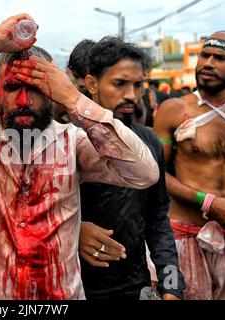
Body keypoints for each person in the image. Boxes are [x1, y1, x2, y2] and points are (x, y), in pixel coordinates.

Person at [0, 14, 159, 300]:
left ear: (52, 94)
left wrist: (74, 100)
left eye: (36, 89)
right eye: (12, 88)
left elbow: (144, 173)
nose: (24, 101)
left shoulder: (73, 143)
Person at [78, 37, 185, 300]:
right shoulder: (68, 139)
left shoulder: (149, 141)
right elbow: (31, 214)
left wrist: (171, 284)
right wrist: (73, 230)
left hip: (134, 283)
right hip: (74, 284)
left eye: (138, 85)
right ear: (92, 84)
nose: (130, 95)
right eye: (119, 84)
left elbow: (158, 217)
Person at [153, 31, 225, 300]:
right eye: (204, 55)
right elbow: (156, 175)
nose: (207, 63)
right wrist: (208, 202)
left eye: (220, 57)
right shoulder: (174, 109)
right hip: (183, 239)